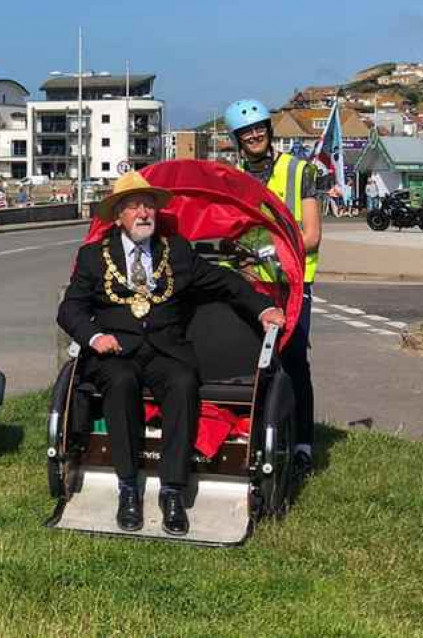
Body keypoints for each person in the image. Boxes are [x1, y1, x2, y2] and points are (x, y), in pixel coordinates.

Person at [57, 172, 284, 535]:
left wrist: (262, 308)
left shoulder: (176, 251)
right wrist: (95, 336)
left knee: (182, 381)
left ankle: (172, 491)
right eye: (133, 206)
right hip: (116, 352)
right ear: (118, 216)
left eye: (148, 205)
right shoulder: (92, 257)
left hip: (166, 350)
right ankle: (128, 488)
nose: (143, 212)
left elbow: (225, 282)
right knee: (121, 382)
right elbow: (70, 310)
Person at [225, 98, 321, 476]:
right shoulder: (233, 175)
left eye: (259, 128)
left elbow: (311, 235)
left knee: (294, 359)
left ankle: (302, 444)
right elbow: (230, 229)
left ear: (269, 129)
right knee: (252, 361)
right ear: (237, 138)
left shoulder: (299, 171)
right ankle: (260, 434)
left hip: (293, 281)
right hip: (251, 283)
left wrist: (269, 251)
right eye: (246, 132)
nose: (254, 135)